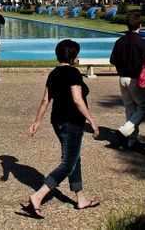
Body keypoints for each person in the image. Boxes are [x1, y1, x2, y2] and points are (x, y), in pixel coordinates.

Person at [22, 39, 101, 219]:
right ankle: (38, 195)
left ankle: (81, 198)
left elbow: (45, 100)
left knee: (74, 158)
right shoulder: (73, 73)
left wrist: (37, 122)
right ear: (73, 56)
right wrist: (92, 121)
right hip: (72, 122)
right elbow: (77, 100)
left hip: (57, 121)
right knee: (67, 163)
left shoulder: (54, 73)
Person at [111, 11, 145, 149]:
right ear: (140, 25)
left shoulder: (119, 41)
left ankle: (132, 139)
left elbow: (112, 60)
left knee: (130, 108)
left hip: (122, 78)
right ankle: (124, 131)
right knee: (144, 106)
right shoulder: (142, 43)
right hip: (135, 79)